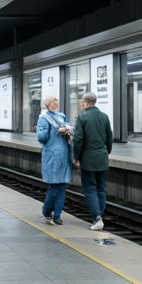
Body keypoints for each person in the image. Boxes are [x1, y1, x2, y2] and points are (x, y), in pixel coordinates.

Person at [72, 91, 112, 230]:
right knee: (101, 187)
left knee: (89, 188)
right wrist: (107, 151)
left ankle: (97, 217)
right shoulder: (104, 116)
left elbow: (78, 139)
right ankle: (100, 214)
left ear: (87, 102)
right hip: (102, 157)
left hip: (88, 159)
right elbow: (109, 136)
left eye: (82, 101)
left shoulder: (82, 117)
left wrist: (76, 157)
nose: (81, 103)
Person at [36, 95, 72, 225]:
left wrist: (67, 130)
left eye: (56, 101)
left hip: (56, 155)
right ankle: (53, 214)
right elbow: (42, 137)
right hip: (58, 154)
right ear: (49, 104)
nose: (56, 103)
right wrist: (58, 130)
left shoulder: (58, 116)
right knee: (59, 185)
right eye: (54, 102)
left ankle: (52, 213)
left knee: (58, 185)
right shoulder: (47, 117)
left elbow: (41, 137)